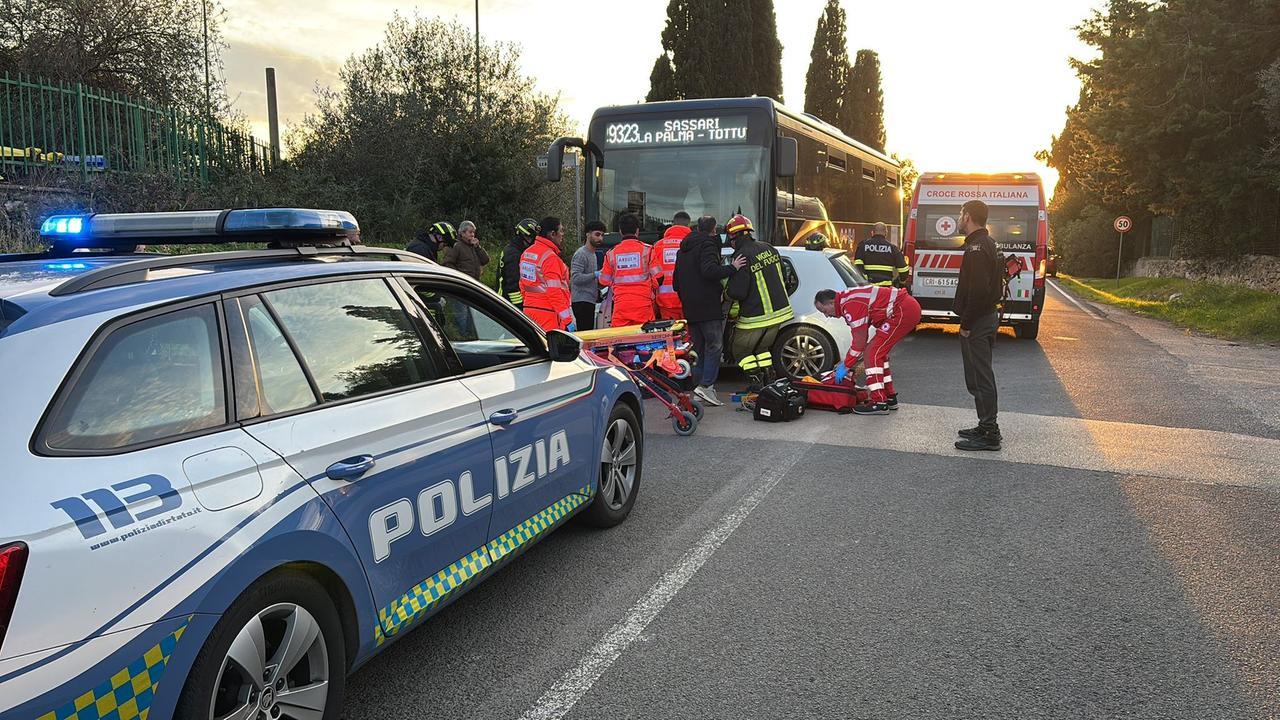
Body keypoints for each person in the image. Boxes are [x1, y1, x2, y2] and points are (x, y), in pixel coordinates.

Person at [814, 285, 921, 414]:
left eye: (824, 310)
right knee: (879, 354)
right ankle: (889, 397)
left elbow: (859, 344)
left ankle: (879, 402)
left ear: (831, 302)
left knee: (872, 354)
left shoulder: (850, 305)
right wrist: (847, 364)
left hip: (902, 311)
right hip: (904, 308)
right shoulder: (848, 300)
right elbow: (861, 338)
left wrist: (846, 366)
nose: (826, 316)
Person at [674, 215, 745, 407]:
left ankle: (699, 388)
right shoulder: (708, 246)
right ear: (714, 231)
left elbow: (675, 283)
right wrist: (733, 267)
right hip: (708, 306)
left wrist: (687, 298)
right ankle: (706, 387)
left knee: (699, 349)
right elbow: (709, 271)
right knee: (714, 345)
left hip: (690, 307)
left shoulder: (683, 251)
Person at [952, 200, 1003, 451]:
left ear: (969, 216)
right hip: (985, 318)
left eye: (961, 214)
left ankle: (990, 433)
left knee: (980, 376)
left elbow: (979, 290)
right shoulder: (987, 243)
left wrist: (967, 323)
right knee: (978, 376)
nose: (959, 218)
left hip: (979, 321)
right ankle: (985, 425)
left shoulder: (977, 248)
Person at [724, 214, 793, 387]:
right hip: (780, 313)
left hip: (756, 316)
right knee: (762, 350)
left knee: (740, 350)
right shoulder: (768, 248)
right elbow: (783, 277)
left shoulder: (741, 256)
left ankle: (756, 384)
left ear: (733, 237)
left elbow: (738, 292)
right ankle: (770, 381)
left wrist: (725, 295)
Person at [599, 212, 658, 327]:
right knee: (643, 340)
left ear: (620, 231)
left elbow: (603, 280)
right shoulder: (648, 250)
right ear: (637, 230)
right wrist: (649, 288)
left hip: (621, 307)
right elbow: (659, 277)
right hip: (643, 306)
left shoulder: (611, 253)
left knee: (622, 341)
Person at [519, 217, 574, 332]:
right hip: (548, 314)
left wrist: (529, 303)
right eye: (561, 231)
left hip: (529, 311)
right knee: (549, 348)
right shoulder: (550, 258)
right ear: (553, 234)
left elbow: (523, 284)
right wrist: (567, 319)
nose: (563, 235)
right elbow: (554, 292)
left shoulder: (527, 253)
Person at [651, 213, 692, 320]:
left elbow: (652, 275)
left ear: (673, 224)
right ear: (688, 225)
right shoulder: (693, 244)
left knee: (670, 334)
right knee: (689, 334)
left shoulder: (657, 246)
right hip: (688, 299)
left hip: (665, 301)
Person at [571, 220, 607, 331]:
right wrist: (595, 275)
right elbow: (575, 278)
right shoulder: (581, 254)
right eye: (597, 234)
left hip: (589, 301)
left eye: (602, 235)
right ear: (588, 234)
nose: (600, 238)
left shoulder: (593, 254)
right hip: (581, 301)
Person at [498, 218, 539, 308]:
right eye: (530, 238)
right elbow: (513, 285)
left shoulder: (516, 249)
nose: (532, 241)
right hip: (507, 301)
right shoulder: (513, 254)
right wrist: (520, 307)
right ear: (521, 236)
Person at [854, 222, 910, 287]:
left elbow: (857, 265)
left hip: (868, 287)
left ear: (872, 232)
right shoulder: (892, 248)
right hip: (885, 288)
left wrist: (865, 278)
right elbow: (904, 270)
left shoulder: (863, 246)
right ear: (886, 233)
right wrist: (901, 282)